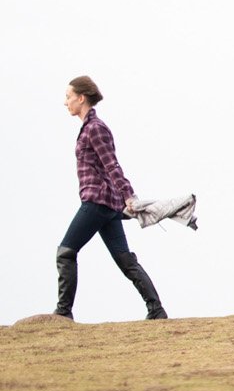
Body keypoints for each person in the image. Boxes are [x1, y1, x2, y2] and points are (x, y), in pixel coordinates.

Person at [55, 76, 168, 321]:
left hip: (96, 202)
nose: (65, 102)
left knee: (65, 252)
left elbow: (112, 165)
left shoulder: (95, 128)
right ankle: (156, 310)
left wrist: (128, 195)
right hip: (105, 205)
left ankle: (63, 313)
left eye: (68, 96)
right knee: (125, 259)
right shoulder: (89, 127)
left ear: (81, 98)